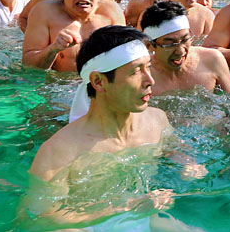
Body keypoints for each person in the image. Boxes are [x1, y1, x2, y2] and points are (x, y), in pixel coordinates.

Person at [26, 26, 203, 228]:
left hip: (144, 217)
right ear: (99, 81)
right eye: (136, 71)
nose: (150, 80)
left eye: (148, 67)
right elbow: (39, 218)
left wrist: (188, 162)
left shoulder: (156, 121)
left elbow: (174, 147)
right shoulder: (60, 151)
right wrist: (125, 208)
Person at [140, 0, 230, 94]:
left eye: (185, 40)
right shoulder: (141, 78)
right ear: (149, 46)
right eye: (170, 44)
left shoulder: (212, 60)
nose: (180, 51)